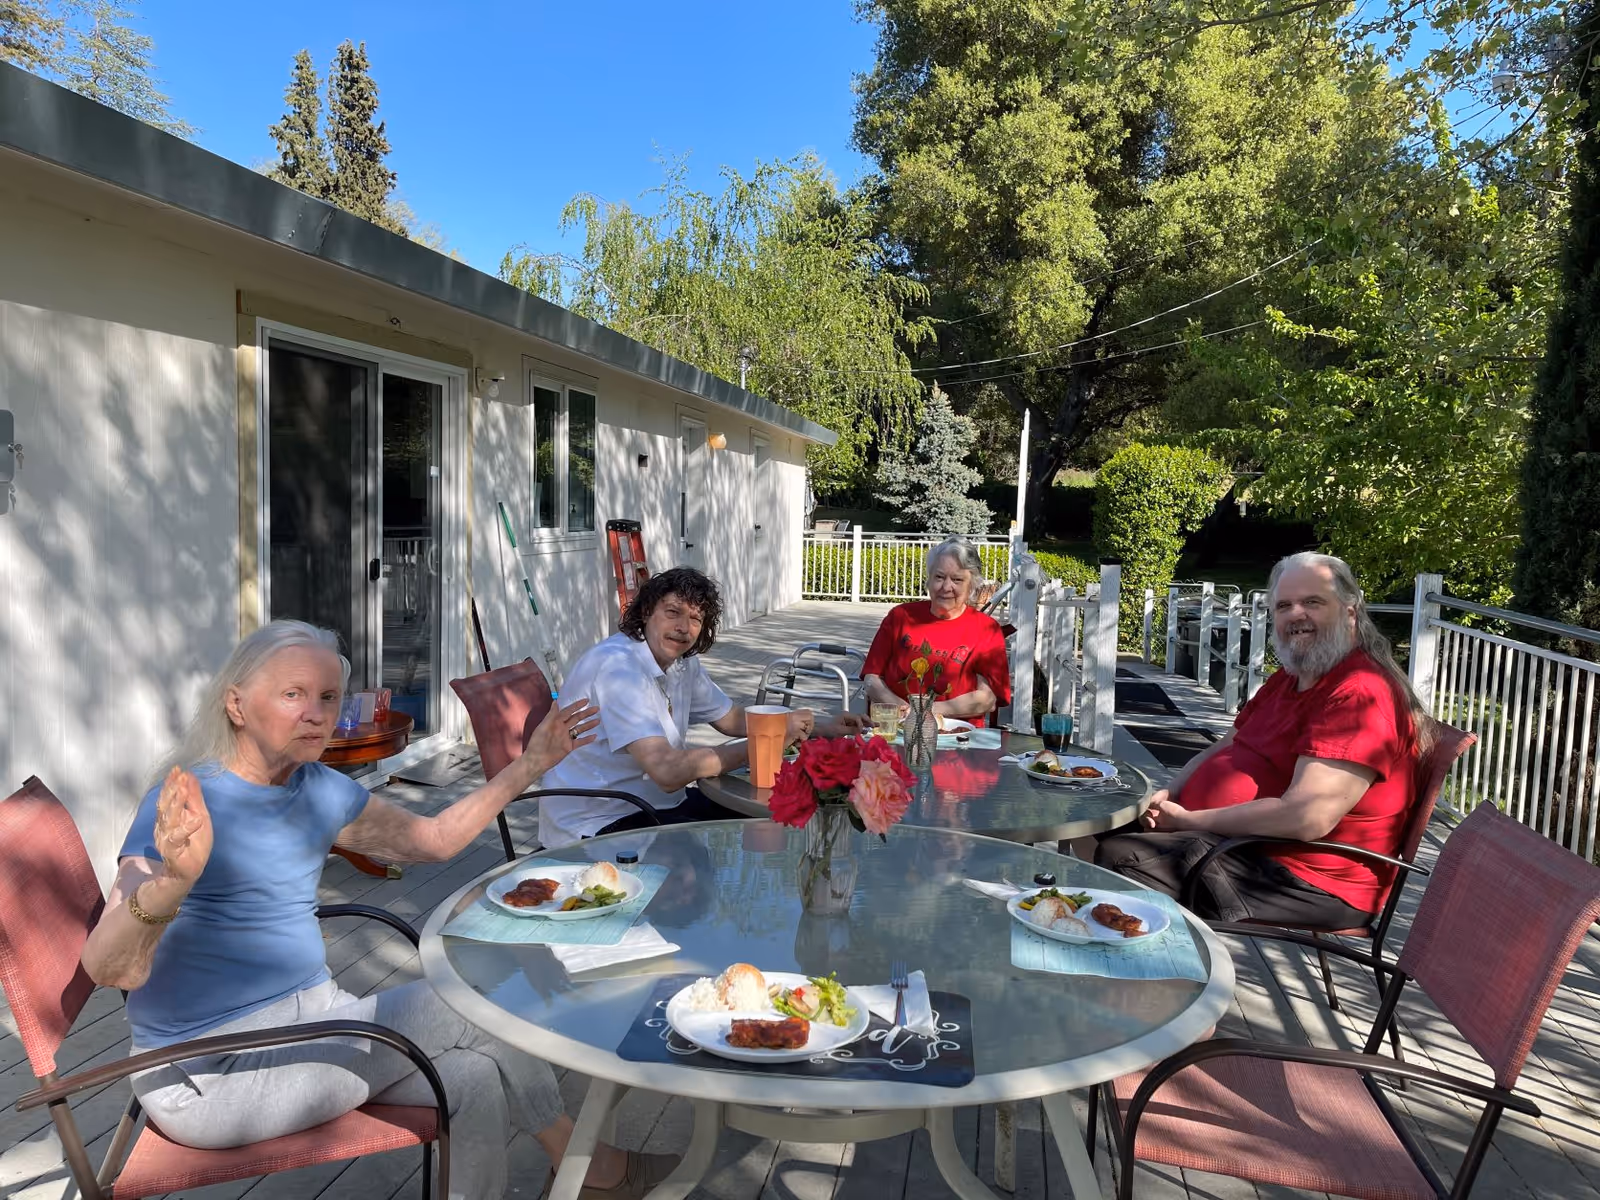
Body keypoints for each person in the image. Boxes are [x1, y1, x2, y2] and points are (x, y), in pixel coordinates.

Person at [82, 620, 676, 1200]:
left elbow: (432, 842)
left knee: (473, 1077)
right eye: (293, 694)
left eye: (327, 696)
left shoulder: (318, 787)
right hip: (210, 1073)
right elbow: (112, 969)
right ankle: (593, 1168)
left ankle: (588, 1172)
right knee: (478, 999)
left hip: (315, 1023)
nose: (316, 712)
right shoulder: (186, 804)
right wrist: (172, 883)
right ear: (236, 705)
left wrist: (531, 765)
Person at [1096, 552, 1431, 928]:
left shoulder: (1360, 694)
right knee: (1095, 817)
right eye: (1284, 605)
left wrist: (1190, 820)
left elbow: (1308, 817)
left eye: (1313, 602)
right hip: (1243, 843)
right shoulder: (1292, 677)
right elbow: (1226, 745)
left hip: (1306, 876)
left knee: (1123, 856)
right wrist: (1170, 794)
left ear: (1350, 610)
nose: (1296, 614)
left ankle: (1153, 976)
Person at [538, 567, 866, 846]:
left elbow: (732, 719)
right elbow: (669, 772)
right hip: (596, 824)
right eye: (672, 612)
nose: (683, 627)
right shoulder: (617, 668)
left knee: (773, 818)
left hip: (650, 804)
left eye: (695, 618)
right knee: (750, 830)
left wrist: (823, 726)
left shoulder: (681, 662)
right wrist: (764, 746)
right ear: (645, 612)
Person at [861, 538, 1012, 727]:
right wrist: (902, 711)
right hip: (894, 730)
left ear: (971, 585)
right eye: (939, 577)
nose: (946, 587)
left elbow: (986, 699)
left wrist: (927, 711)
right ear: (929, 579)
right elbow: (871, 678)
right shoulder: (900, 616)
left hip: (955, 738)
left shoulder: (986, 630)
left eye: (957, 579)